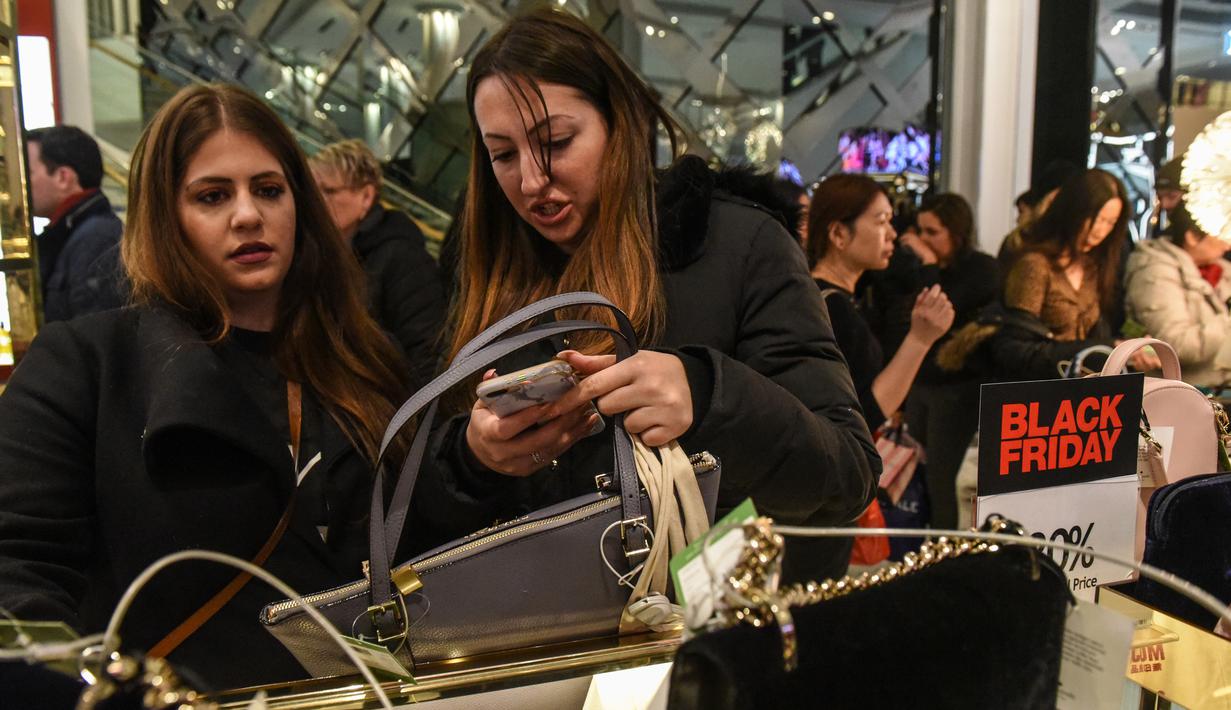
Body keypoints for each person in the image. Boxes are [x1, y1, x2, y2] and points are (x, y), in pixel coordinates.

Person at [411, 8, 879, 583]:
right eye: (503, 155)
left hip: (705, 626)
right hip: (535, 626)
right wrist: (473, 460)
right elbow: (411, 514)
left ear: (621, 125)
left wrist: (706, 395)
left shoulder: (739, 243)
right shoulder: (482, 273)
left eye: (556, 142)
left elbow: (846, 476)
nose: (531, 181)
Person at [0, 84, 411, 691]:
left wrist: (478, 462)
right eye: (212, 196)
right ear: (166, 218)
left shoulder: (363, 358)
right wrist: (84, 692)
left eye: (268, 189)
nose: (248, 215)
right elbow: (17, 572)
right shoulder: (86, 364)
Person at [806, 174, 955, 431]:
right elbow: (866, 412)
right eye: (881, 221)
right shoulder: (832, 308)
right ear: (839, 233)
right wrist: (920, 340)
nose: (892, 234)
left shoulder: (824, 295)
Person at [896, 194, 998, 530]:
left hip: (956, 389)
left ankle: (943, 547)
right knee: (914, 472)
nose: (923, 240)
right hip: (920, 383)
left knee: (942, 479)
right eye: (920, 231)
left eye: (932, 232)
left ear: (956, 232)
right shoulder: (917, 268)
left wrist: (927, 265)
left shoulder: (982, 269)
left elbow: (940, 312)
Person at [310, 139, 447, 388]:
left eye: (328, 191)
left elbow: (428, 356)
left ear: (366, 196)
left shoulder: (403, 258)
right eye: (312, 191)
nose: (315, 201)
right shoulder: (323, 254)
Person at [1125, 202, 1231, 387]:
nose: (1227, 244)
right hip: (1184, 392)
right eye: (1222, 234)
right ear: (1192, 236)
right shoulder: (1155, 272)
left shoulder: (1221, 268)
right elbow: (1175, 344)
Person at [26, 125, 125, 321]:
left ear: (63, 177)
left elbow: (95, 333)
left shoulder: (97, 239)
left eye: (29, 173)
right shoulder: (72, 234)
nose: (23, 184)